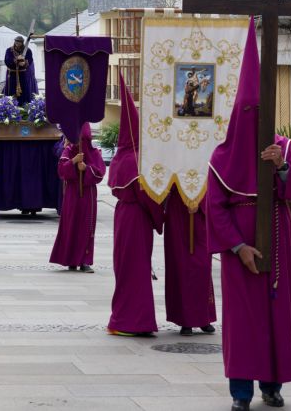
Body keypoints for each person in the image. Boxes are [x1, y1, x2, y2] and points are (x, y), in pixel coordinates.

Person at [205, 20, 291, 411]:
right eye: (247, 111)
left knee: (275, 317)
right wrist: (237, 246)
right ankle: (240, 393)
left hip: (278, 244)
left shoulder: (284, 147)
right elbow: (214, 207)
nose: (254, 118)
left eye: (260, 111)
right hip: (240, 254)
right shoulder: (222, 155)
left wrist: (281, 166)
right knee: (243, 323)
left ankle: (273, 385)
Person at [107, 77, 164, 337]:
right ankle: (134, 321)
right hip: (137, 218)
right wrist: (159, 218)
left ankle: (124, 318)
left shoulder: (121, 156)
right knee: (138, 269)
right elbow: (147, 196)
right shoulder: (138, 160)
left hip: (123, 216)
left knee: (126, 267)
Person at [49, 123, 105, 272]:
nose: (80, 144)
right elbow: (61, 171)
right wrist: (73, 162)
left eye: (83, 140)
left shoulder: (94, 153)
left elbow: (100, 173)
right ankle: (71, 259)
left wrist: (86, 169)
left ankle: (85, 261)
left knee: (86, 226)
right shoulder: (68, 151)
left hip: (88, 195)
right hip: (72, 194)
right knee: (71, 225)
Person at [163, 187, 217, 336]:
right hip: (177, 213)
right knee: (181, 267)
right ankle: (185, 319)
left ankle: (203, 317)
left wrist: (200, 202)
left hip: (199, 215)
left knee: (202, 267)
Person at [3, 35, 38, 106]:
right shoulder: (9, 50)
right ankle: (11, 107)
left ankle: (24, 107)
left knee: (24, 92)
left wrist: (25, 63)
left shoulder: (27, 50)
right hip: (12, 75)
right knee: (11, 93)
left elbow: (30, 60)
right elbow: (7, 61)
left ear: (22, 43)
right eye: (16, 41)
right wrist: (16, 61)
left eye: (19, 42)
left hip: (23, 75)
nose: (17, 43)